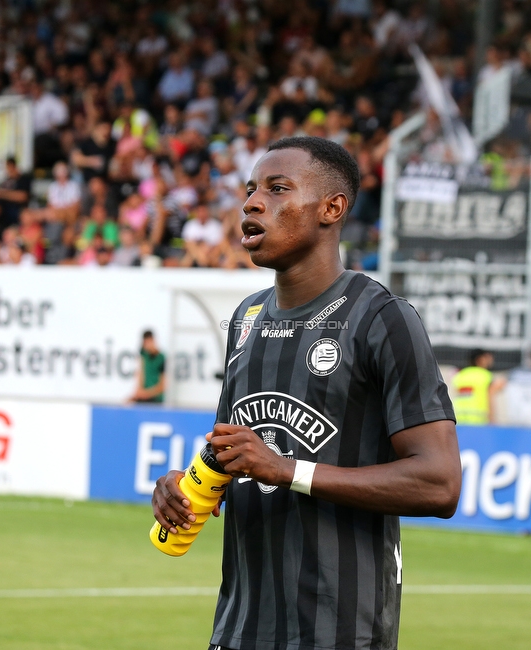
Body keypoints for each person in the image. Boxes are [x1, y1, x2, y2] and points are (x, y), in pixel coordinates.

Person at [152, 137, 461, 650]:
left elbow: (440, 483)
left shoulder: (380, 318)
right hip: (238, 630)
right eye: (251, 190)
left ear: (331, 208)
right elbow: (234, 454)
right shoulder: (246, 319)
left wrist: (286, 470)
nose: (252, 203)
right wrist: (187, 487)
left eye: (277, 189)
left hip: (340, 633)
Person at [450, 349, 506, 425]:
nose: (490, 360)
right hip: (479, 420)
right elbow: (490, 398)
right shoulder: (486, 376)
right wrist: (492, 421)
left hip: (458, 419)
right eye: (487, 357)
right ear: (480, 359)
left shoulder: (460, 375)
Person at [130, 330, 166, 403]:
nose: (147, 345)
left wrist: (146, 393)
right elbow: (141, 373)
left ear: (153, 341)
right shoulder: (144, 354)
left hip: (156, 398)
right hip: (144, 397)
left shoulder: (161, 359)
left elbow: (163, 385)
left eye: (148, 342)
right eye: (145, 343)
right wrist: (139, 391)